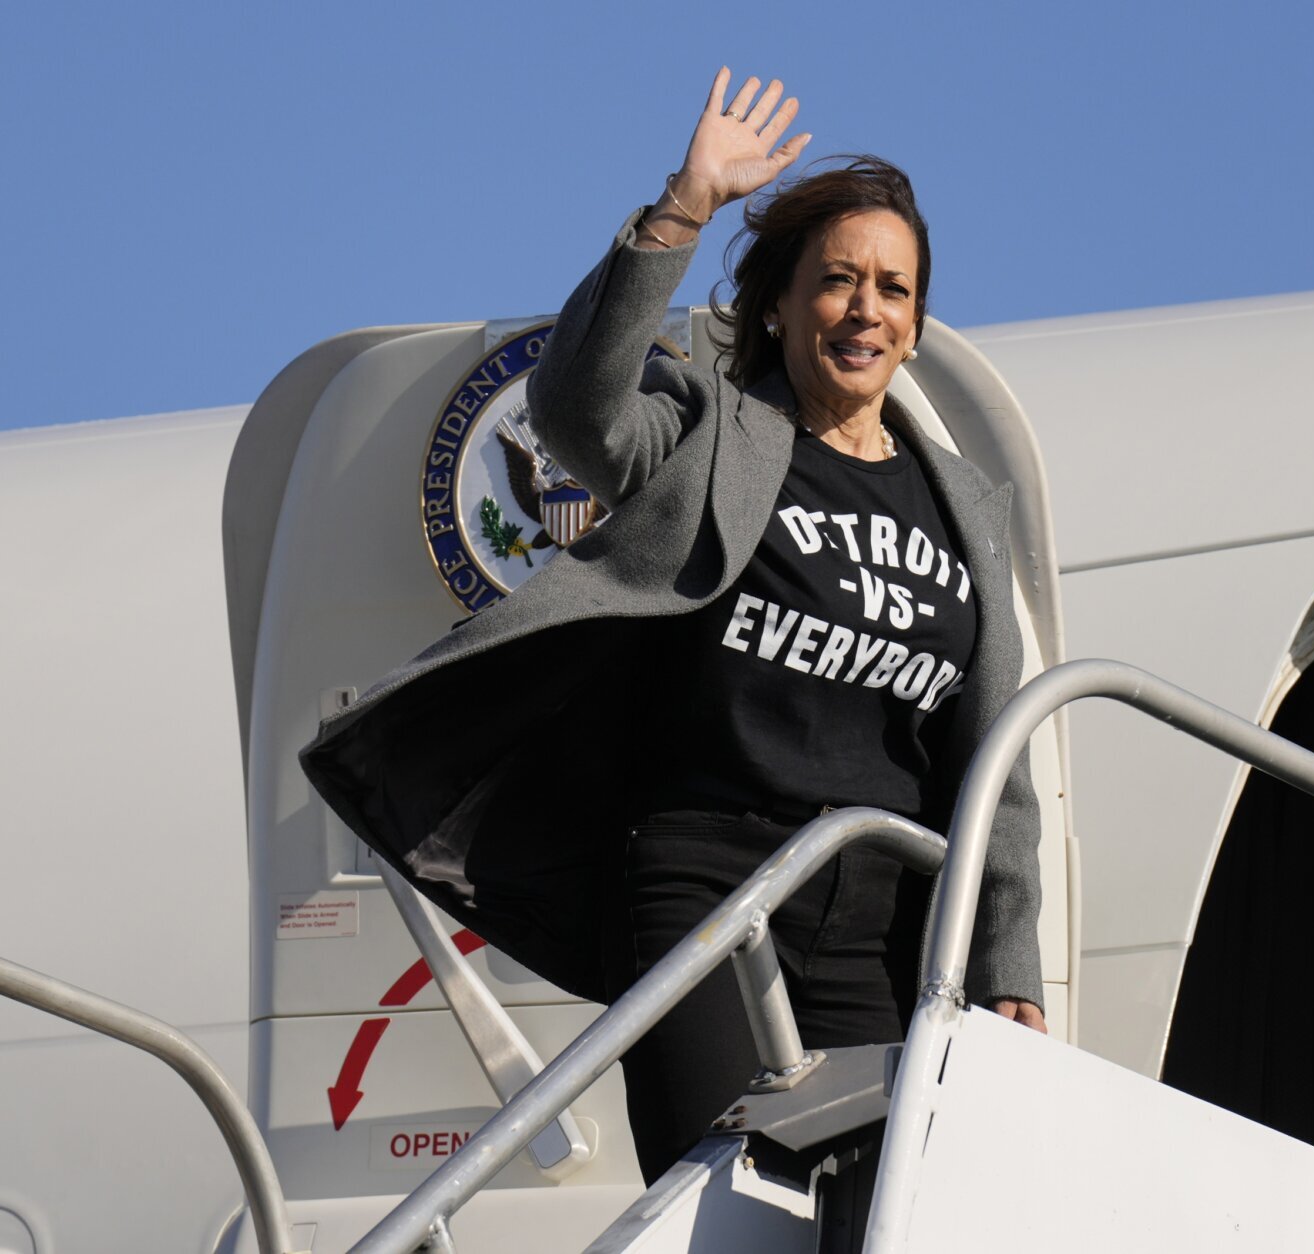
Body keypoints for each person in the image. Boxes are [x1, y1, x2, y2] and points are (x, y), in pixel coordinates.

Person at [300, 67, 1045, 1183]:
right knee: (722, 1193)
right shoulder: (713, 436)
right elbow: (575, 410)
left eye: (892, 289)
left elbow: (996, 766)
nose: (865, 309)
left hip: (882, 918)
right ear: (779, 307)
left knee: (880, 1211)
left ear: (916, 324)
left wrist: (1007, 967)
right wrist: (684, 206)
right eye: (837, 281)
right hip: (712, 880)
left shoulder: (965, 509)